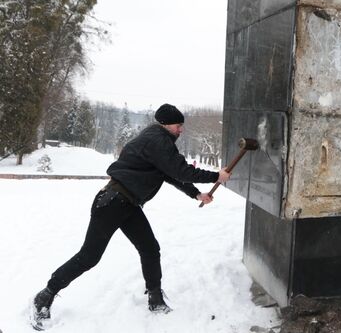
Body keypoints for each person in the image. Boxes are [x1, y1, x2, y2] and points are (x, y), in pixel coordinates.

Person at [31, 104, 230, 328]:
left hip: (128, 204)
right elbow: (179, 170)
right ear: (165, 124)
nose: (180, 130)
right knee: (89, 256)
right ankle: (45, 296)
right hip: (112, 203)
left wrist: (196, 194)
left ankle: (155, 297)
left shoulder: (156, 140)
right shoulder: (158, 140)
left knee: (150, 248)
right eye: (178, 125)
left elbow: (170, 174)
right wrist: (216, 176)